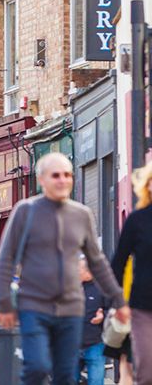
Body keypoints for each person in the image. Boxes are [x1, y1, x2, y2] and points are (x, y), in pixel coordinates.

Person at [0, 152, 128, 385]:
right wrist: (4, 302)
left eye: (67, 175)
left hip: (71, 308)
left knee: (65, 375)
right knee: (37, 367)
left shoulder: (81, 215)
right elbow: (5, 259)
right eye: (55, 175)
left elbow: (97, 263)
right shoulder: (25, 211)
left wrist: (118, 300)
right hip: (34, 305)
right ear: (42, 180)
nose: (62, 180)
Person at [112, 161, 152, 384]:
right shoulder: (137, 220)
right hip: (143, 307)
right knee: (147, 371)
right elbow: (118, 263)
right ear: (147, 186)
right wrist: (118, 302)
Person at [79, 256, 110, 385]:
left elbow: (112, 311)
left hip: (95, 344)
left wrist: (103, 317)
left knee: (96, 381)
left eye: (78, 269)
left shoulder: (103, 288)